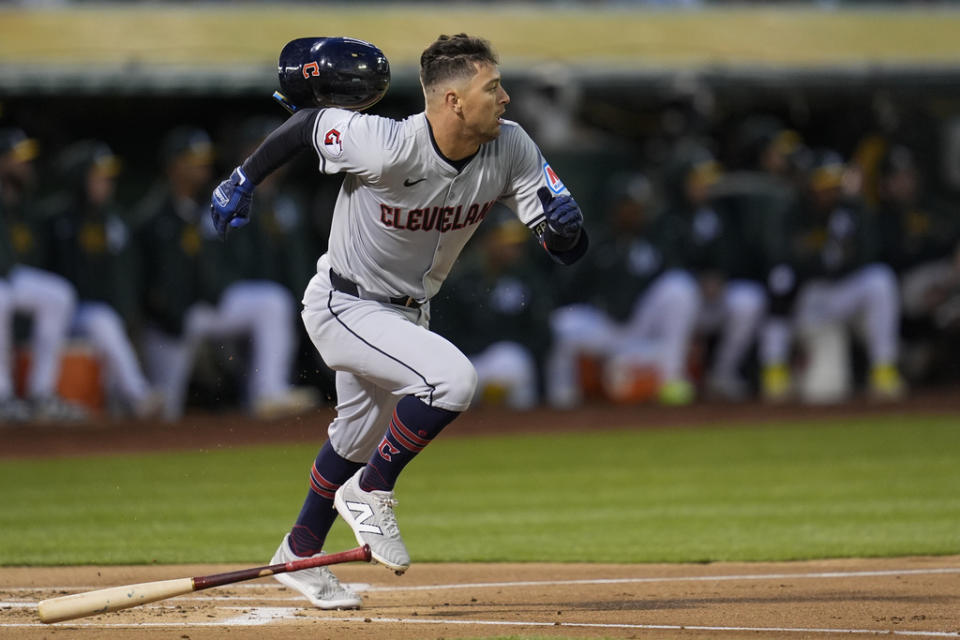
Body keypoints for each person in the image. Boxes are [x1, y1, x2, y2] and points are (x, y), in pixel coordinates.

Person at [209, 34, 587, 610]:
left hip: (409, 311)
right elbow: (310, 124)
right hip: (345, 303)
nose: (506, 98)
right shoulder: (386, 143)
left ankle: (298, 550)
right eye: (493, 88)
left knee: (354, 438)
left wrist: (564, 230)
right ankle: (373, 490)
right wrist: (243, 178)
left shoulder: (512, 147)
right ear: (454, 101)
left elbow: (566, 248)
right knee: (451, 381)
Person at [134, 126, 318, 420]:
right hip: (170, 322)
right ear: (174, 165)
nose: (203, 166)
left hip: (206, 309)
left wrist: (216, 289)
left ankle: (268, 392)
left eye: (204, 160)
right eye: (194, 160)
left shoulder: (209, 202)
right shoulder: (152, 217)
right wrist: (164, 312)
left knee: (272, 301)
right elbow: (143, 281)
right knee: (163, 410)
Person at [46, 140, 163, 419]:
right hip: (61, 313)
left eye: (107, 177)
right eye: (97, 176)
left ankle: (133, 403)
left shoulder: (116, 220)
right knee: (101, 319)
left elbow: (128, 274)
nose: (106, 183)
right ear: (79, 180)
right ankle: (138, 396)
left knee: (105, 321)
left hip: (98, 314)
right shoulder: (55, 219)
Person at [0, 127, 86, 423]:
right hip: (3, 281)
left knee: (59, 295)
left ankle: (41, 393)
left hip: (10, 277)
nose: (25, 165)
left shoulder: (22, 203)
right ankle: (2, 396)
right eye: (17, 159)